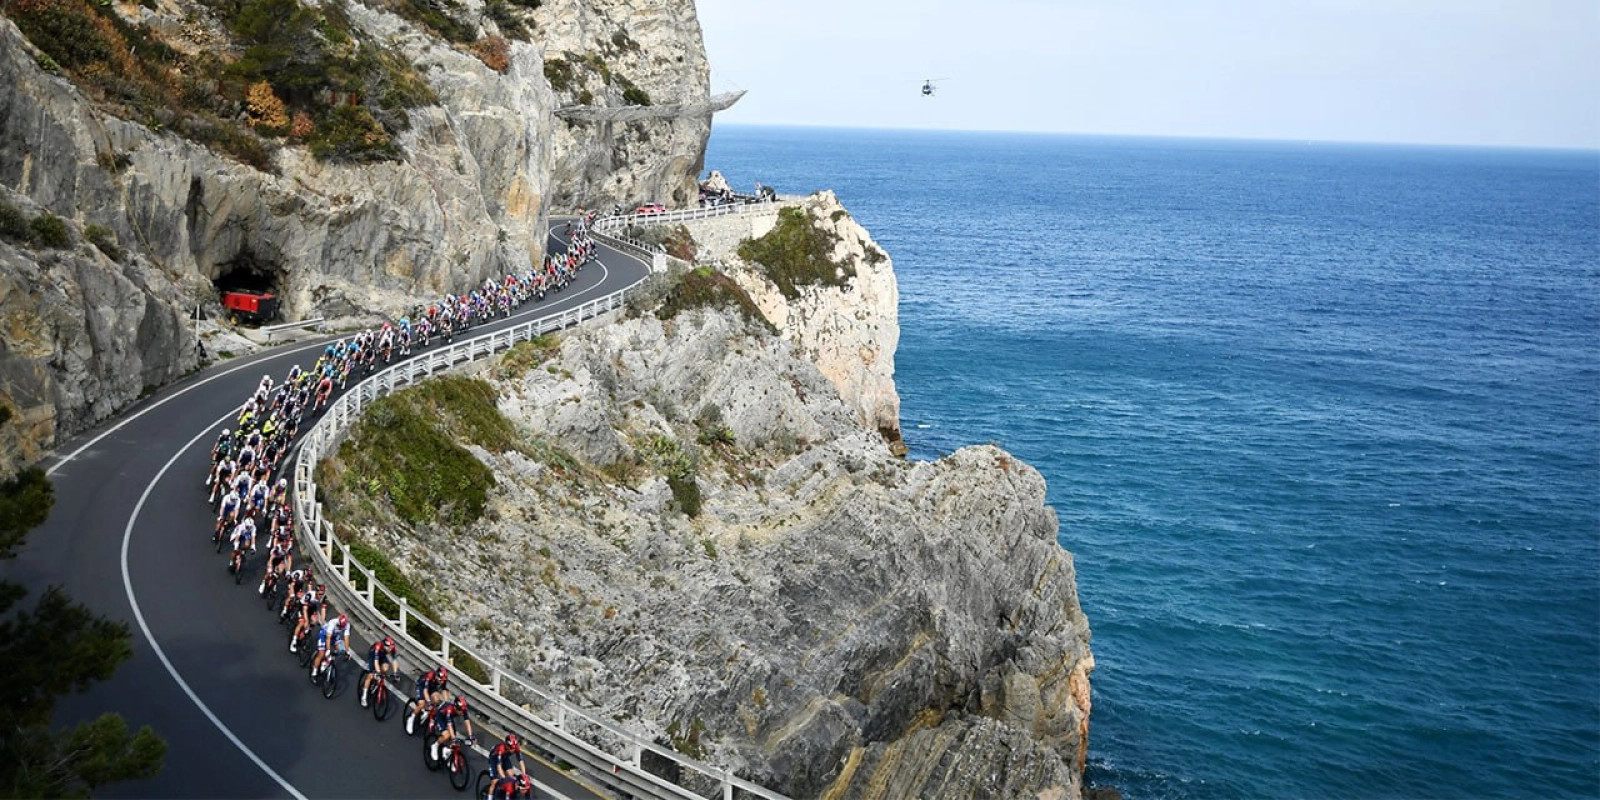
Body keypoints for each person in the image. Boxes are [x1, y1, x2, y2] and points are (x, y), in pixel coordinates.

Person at [429, 695, 474, 764]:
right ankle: (435, 745)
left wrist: (471, 736)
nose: (462, 713)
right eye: (460, 711)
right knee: (447, 735)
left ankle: (448, 752)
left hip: (449, 718)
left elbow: (467, 722)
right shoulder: (449, 710)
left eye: (463, 711)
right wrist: (453, 738)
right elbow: (449, 725)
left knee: (454, 740)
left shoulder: (463, 709)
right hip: (440, 717)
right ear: (455, 708)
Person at [360, 636, 399, 707]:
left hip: (382, 656)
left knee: (386, 668)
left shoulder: (392, 648)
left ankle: (377, 682)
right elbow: (376, 662)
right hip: (373, 655)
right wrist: (377, 672)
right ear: (385, 646)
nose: (390, 650)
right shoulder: (378, 646)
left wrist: (395, 673)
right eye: (389, 648)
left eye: (391, 648)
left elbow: (394, 661)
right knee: (371, 675)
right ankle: (364, 696)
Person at [309, 612, 350, 679]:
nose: (340, 628)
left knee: (341, 649)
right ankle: (314, 672)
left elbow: (346, 638)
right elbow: (328, 638)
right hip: (324, 635)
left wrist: (347, 651)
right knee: (321, 654)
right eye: (339, 626)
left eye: (341, 627)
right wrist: (328, 650)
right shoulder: (332, 623)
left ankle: (327, 661)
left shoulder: (347, 625)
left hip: (334, 636)